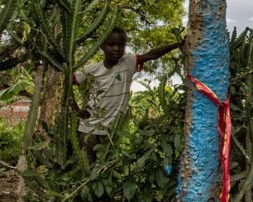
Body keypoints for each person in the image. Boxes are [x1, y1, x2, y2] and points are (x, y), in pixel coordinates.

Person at [73, 27, 183, 161]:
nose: (116, 49)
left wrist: (177, 44)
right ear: (102, 46)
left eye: (121, 45)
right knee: (85, 167)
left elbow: (152, 54)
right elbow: (67, 83)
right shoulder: (91, 70)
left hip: (112, 132)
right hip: (88, 130)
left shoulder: (128, 63)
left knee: (106, 168)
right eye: (111, 44)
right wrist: (76, 110)